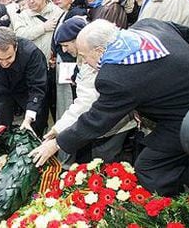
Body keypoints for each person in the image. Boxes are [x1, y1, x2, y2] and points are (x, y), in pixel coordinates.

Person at [30, 18, 189, 196]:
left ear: (99, 51)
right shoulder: (147, 26)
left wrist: (57, 143)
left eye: (84, 56)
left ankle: (175, 209)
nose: (84, 61)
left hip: (184, 117)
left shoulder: (115, 77)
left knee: (149, 169)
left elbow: (96, 120)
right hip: (180, 106)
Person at [40, 17, 135, 167]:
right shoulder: (85, 57)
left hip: (114, 125)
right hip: (104, 123)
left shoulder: (93, 61)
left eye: (66, 45)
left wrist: (60, 129)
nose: (64, 50)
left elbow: (86, 101)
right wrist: (59, 128)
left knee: (104, 164)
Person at [0, 27, 48, 136]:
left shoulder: (31, 52)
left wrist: (28, 120)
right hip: (3, 88)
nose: (4, 63)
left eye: (8, 58)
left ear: (16, 47)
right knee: (0, 129)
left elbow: (37, 87)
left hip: (27, 88)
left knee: (35, 125)